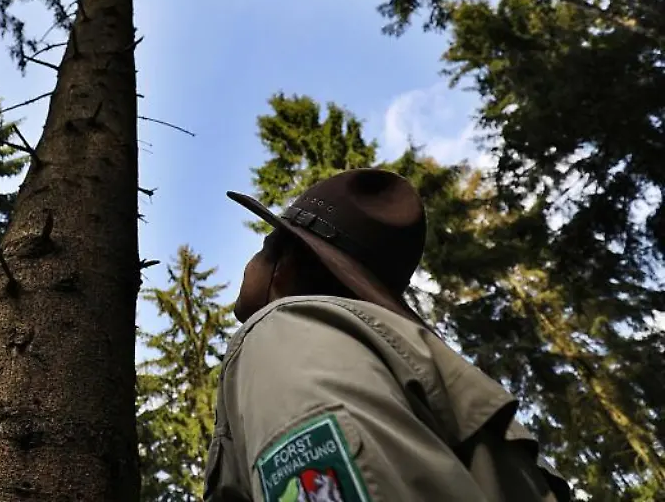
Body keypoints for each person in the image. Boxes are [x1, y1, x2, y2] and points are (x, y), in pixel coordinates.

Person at [204, 168, 572, 502]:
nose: (250, 262)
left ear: (285, 266)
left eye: (265, 244)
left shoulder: (285, 334)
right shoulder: (378, 353)